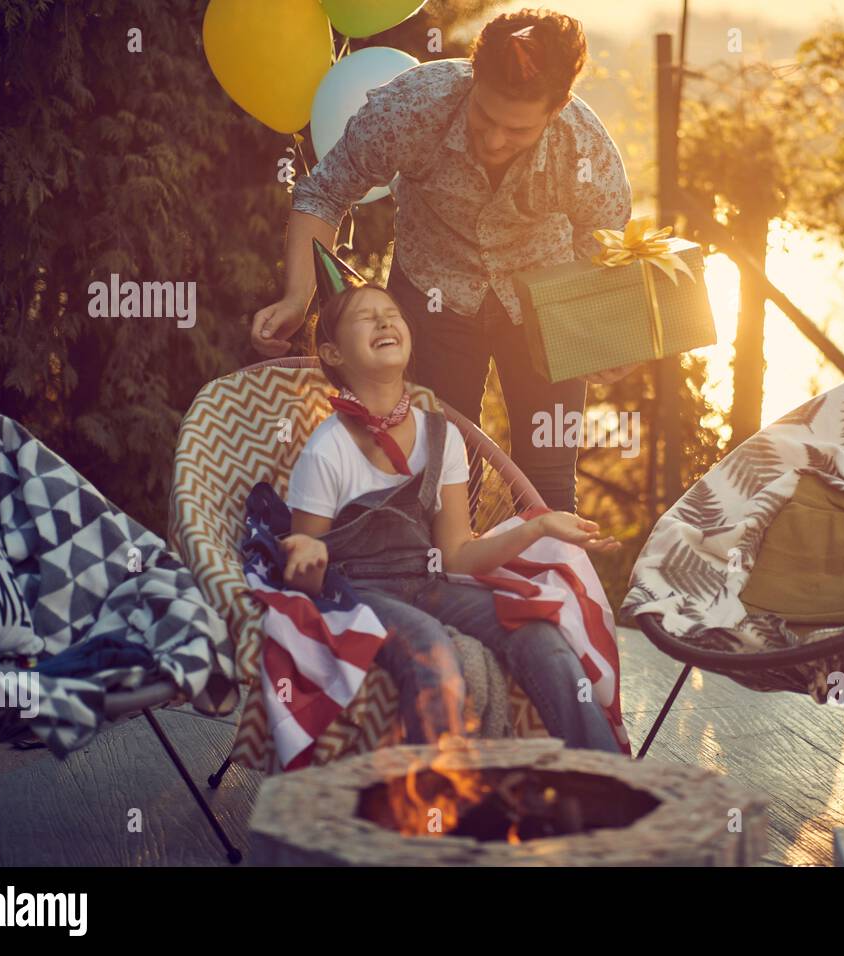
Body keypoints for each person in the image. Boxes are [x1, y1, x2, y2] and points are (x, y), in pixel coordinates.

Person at [252, 10, 634, 513]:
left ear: (557, 108)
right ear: (473, 79)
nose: (495, 140)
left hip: (545, 307)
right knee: (442, 477)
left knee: (548, 484)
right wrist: (298, 297)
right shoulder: (410, 107)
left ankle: (552, 587)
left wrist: (604, 338)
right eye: (485, 117)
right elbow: (323, 194)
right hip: (432, 296)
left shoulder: (586, 149)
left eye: (517, 130)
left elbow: (605, 245)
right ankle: (444, 585)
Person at [277, 238, 623, 752]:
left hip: (431, 583)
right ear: (332, 352)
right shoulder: (327, 447)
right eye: (365, 318)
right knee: (430, 648)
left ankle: (607, 783)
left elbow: (458, 556)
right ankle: (436, 812)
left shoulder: (442, 436)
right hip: (357, 594)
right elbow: (302, 568)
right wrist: (304, 554)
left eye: (391, 314)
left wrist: (540, 525)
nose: (384, 323)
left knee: (540, 634)